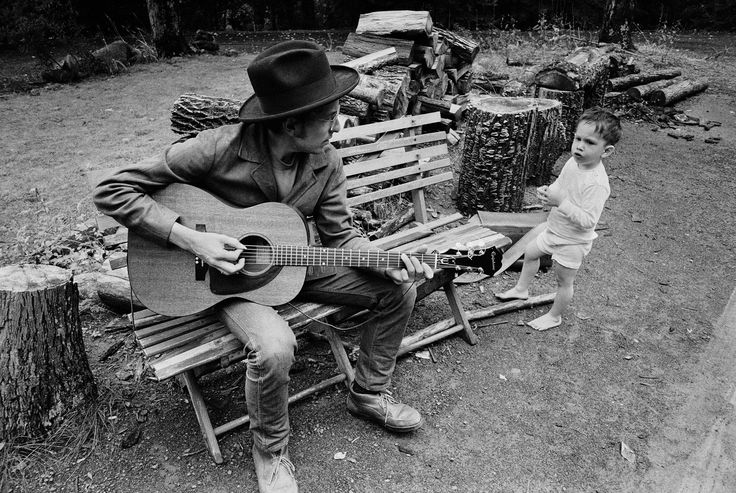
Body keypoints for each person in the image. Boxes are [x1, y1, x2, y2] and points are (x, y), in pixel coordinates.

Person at [93, 40, 434, 493]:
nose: (340, 122)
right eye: (329, 116)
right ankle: (270, 451)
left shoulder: (327, 160)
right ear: (291, 122)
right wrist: (192, 238)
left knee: (399, 289)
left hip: (293, 264)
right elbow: (111, 190)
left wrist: (383, 261)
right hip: (220, 282)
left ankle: (368, 393)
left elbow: (339, 237)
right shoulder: (216, 148)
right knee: (274, 346)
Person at [495, 107, 622, 331]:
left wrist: (561, 202)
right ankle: (521, 289)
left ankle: (555, 316)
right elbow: (560, 186)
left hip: (573, 241)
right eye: (578, 138)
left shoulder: (596, 183)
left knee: (564, 281)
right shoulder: (573, 162)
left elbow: (588, 221)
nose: (580, 146)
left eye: (590, 143)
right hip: (554, 229)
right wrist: (549, 192)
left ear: (607, 151)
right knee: (531, 253)